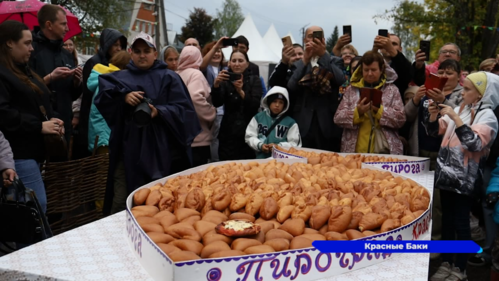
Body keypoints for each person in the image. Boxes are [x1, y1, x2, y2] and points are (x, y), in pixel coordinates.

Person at [94, 32, 200, 215]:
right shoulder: (119, 78)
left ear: (155, 53)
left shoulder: (169, 78)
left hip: (163, 155)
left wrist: (159, 111)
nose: (142, 55)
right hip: (127, 152)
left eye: (146, 51)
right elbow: (103, 99)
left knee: (160, 203)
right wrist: (123, 97)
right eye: (137, 51)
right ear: (131, 53)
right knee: (122, 202)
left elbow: (186, 112)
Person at [427, 72, 499, 281]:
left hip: (464, 181)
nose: (462, 92)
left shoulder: (489, 116)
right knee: (448, 223)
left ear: (481, 94)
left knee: (461, 224)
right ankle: (447, 264)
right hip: (447, 176)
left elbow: (474, 143)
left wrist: (456, 118)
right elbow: (435, 131)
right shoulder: (462, 108)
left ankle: (460, 269)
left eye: (467, 89)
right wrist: (433, 116)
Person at [0, 20, 65, 213]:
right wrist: (39, 126)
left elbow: (38, 102)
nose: (31, 48)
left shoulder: (23, 70)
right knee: (34, 209)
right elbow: (4, 114)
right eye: (27, 43)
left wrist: (53, 119)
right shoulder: (3, 74)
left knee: (31, 209)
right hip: (18, 153)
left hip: (33, 152)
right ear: (10, 43)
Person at [29, 4, 82, 145]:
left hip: (65, 122)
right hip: (40, 125)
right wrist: (49, 78)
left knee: (64, 166)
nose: (67, 28)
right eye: (63, 24)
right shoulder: (30, 51)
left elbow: (72, 95)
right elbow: (24, 87)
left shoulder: (66, 54)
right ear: (49, 25)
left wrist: (77, 82)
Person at [334, 51, 405, 154]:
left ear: (381, 69)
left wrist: (380, 111)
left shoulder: (392, 90)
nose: (369, 73)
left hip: (384, 154)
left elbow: (401, 119)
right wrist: (357, 112)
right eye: (366, 70)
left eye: (373, 70)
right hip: (354, 154)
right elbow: (338, 118)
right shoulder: (351, 90)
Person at [287, 25, 345, 152]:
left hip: (326, 123)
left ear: (323, 40)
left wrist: (323, 54)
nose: (313, 40)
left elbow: (340, 80)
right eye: (309, 36)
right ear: (304, 40)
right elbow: (291, 86)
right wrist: (305, 60)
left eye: (316, 36)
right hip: (303, 122)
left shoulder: (333, 61)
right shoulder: (298, 64)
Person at [78, 28, 127, 159]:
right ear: (107, 44)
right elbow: (88, 93)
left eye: (121, 46)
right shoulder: (94, 63)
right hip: (93, 116)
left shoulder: (117, 66)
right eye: (115, 45)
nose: (118, 49)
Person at [211, 50, 262, 160]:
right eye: (233, 60)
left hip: (248, 131)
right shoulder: (225, 79)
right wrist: (216, 86)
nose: (237, 64)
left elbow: (254, 105)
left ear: (247, 64)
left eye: (240, 60)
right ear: (229, 63)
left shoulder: (254, 80)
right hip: (228, 132)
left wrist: (241, 91)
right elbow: (217, 102)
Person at [177, 46, 216, 167]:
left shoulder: (176, 74)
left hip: (180, 136)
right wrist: (211, 113)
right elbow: (195, 98)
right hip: (198, 137)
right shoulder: (196, 74)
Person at [86, 50, 131, 153]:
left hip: (99, 133)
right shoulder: (113, 82)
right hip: (105, 135)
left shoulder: (105, 78)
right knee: (104, 167)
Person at [245, 86, 301, 158]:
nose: (277, 105)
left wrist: (278, 147)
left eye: (281, 102)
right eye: (274, 101)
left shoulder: (291, 123)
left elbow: (295, 144)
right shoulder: (258, 118)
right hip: (260, 160)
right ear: (269, 102)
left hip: (281, 162)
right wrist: (260, 145)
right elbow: (249, 136)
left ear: (285, 105)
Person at [374, 33, 426, 99]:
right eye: (387, 43)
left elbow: (408, 76)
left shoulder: (404, 64)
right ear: (381, 48)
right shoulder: (375, 62)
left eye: (394, 44)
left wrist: (391, 50)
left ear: (400, 49)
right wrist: (374, 50)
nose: (389, 46)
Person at [200, 38, 227, 162]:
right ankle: (215, 162)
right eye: (214, 51)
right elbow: (202, 65)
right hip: (212, 110)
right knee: (214, 138)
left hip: (225, 111)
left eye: (219, 51)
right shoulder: (206, 70)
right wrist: (216, 46)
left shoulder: (226, 69)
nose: (217, 53)